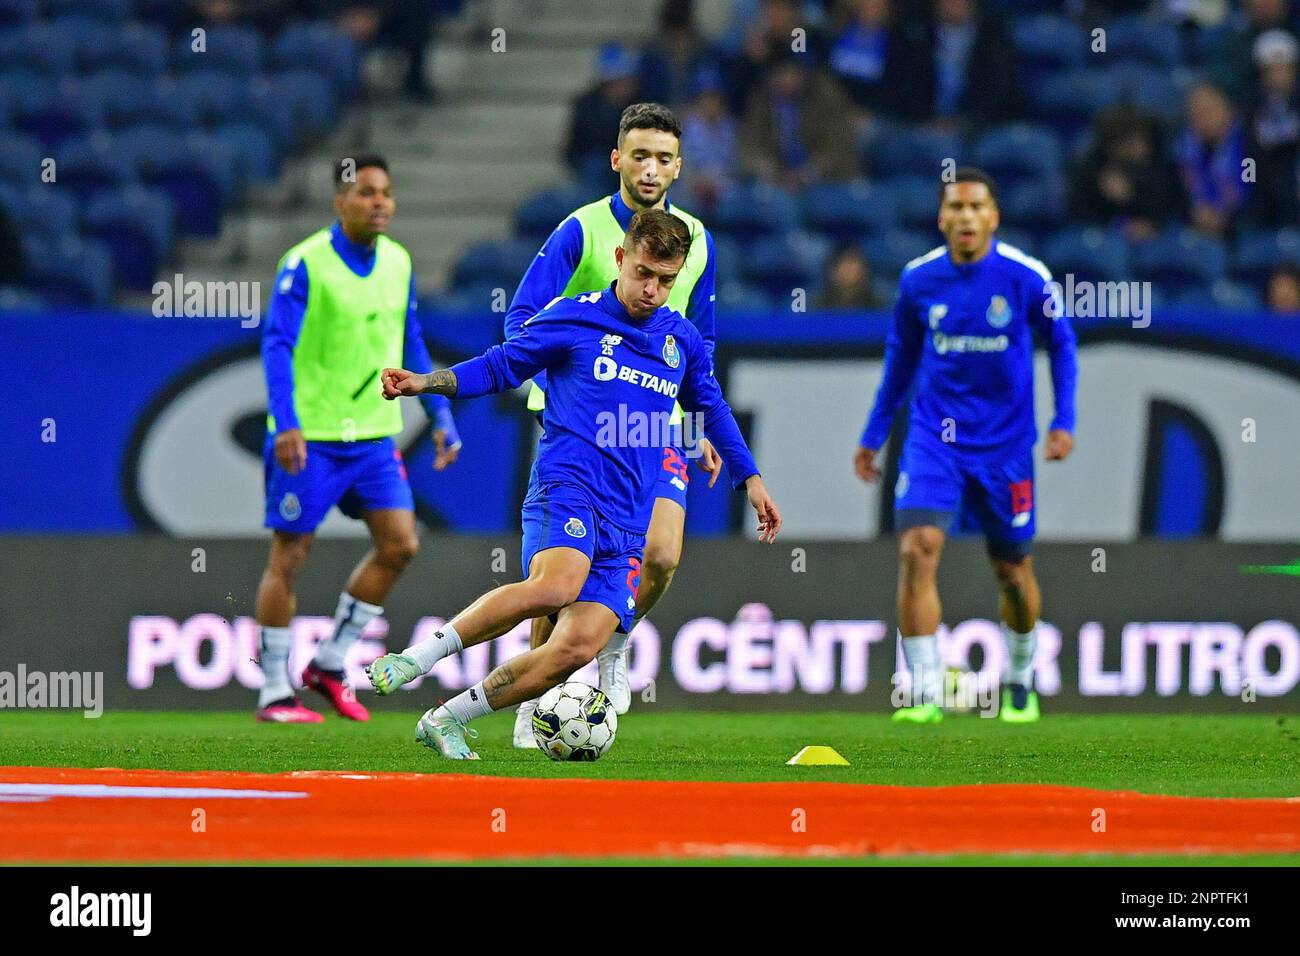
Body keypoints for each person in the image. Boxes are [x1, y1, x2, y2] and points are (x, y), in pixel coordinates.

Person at [366, 210, 782, 759]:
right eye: (643, 274)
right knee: (557, 587)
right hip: (568, 488)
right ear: (620, 259)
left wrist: (750, 478)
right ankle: (418, 659)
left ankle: (447, 718)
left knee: (574, 649)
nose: (652, 290)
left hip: (628, 521)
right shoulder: (572, 319)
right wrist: (426, 382)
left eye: (665, 280)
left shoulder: (681, 340)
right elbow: (499, 367)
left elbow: (712, 408)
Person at [502, 102, 722, 748]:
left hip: (656, 426)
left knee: (661, 554)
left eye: (663, 158)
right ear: (616, 159)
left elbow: (701, 342)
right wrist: (563, 387)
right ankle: (531, 698)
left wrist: (702, 421)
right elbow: (521, 321)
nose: (650, 168)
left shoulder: (698, 242)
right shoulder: (581, 230)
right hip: (576, 431)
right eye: (639, 155)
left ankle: (613, 644)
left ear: (679, 167)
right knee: (556, 583)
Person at [854, 167, 1077, 724]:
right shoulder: (918, 280)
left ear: (994, 217)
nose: (966, 217)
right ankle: (925, 691)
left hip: (1005, 448)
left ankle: (1021, 679)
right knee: (917, 548)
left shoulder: (1026, 278)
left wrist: (1063, 419)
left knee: (1013, 572)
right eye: (955, 207)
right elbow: (900, 359)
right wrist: (875, 433)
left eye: (976, 207)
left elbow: (1063, 345)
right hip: (935, 441)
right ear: (942, 218)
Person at [254, 154, 461, 723]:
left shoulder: (399, 262)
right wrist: (286, 420)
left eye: (386, 193)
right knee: (290, 554)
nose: (379, 203)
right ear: (340, 202)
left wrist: (440, 415)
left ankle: (329, 662)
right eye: (367, 193)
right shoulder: (305, 264)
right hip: (311, 435)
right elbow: (277, 346)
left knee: (401, 544)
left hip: (372, 436)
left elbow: (410, 340)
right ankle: (274, 689)